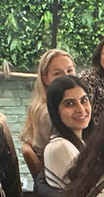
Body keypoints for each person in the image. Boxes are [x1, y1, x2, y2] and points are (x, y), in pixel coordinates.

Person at [20, 49, 76, 177]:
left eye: (69, 71)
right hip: (60, 176)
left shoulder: (59, 105)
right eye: (57, 73)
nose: (66, 77)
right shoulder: (47, 113)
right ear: (45, 78)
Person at [43, 75, 90, 189]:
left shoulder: (80, 142)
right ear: (56, 111)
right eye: (70, 103)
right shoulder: (60, 147)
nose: (81, 109)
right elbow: (89, 192)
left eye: (83, 100)